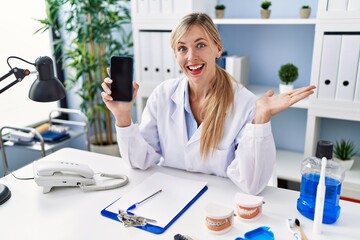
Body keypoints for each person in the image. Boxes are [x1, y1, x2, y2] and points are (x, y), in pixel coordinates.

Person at [101, 13, 315, 195]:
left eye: (200, 45)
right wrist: (123, 117)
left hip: (217, 206)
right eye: (182, 48)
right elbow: (140, 161)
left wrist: (261, 119)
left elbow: (252, 185)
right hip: (170, 198)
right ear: (176, 54)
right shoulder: (163, 95)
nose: (191, 57)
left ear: (218, 48)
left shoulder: (245, 103)